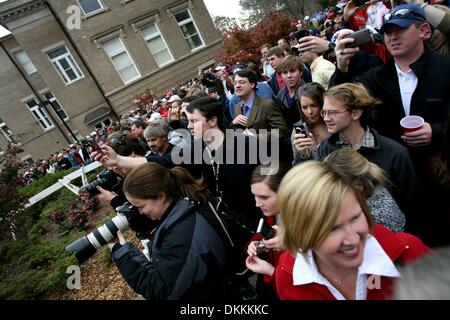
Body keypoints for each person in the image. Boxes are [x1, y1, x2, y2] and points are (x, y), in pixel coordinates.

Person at [275, 161, 431, 300]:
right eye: (332, 229)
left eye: (355, 218)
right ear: (301, 234)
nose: (353, 239)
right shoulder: (288, 276)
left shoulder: (409, 253)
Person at [107, 162, 232, 300]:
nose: (140, 212)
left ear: (161, 196)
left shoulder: (180, 237)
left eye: (140, 206)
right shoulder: (185, 207)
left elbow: (159, 291)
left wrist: (123, 253)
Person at [324, 148, 406, 232]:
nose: (326, 191)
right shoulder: (367, 190)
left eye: (335, 187)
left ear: (359, 187)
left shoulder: (375, 220)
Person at [245, 162, 291, 300]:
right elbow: (262, 234)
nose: (257, 204)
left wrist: (271, 271)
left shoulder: (305, 226)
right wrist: (256, 244)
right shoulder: (273, 212)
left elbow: (306, 286)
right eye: (255, 195)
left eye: (264, 197)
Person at [291, 82, 328, 163]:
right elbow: (296, 168)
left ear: (322, 104)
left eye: (314, 105)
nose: (310, 112)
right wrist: (303, 155)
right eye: (304, 107)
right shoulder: (299, 132)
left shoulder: (333, 124)